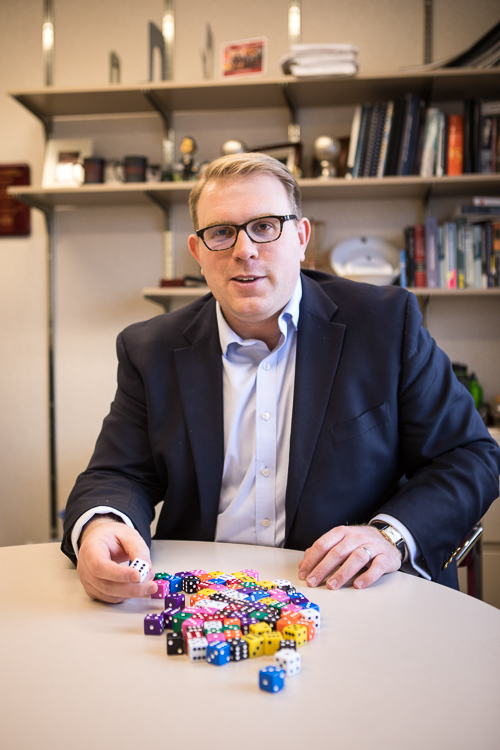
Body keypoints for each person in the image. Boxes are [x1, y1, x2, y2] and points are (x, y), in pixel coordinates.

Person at [62, 152, 500, 604]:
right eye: (220, 232)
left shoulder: (386, 323)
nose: (244, 250)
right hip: (202, 598)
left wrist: (388, 537)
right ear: (198, 252)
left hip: (350, 593)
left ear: (301, 236)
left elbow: (469, 455)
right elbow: (117, 474)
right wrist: (101, 525)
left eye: (265, 226)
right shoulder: (149, 349)